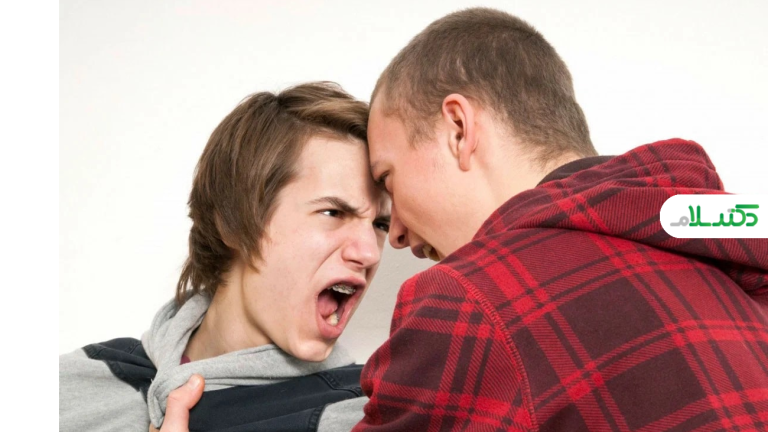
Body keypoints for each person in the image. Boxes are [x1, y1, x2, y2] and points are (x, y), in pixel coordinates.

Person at [160, 7, 768, 432]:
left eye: (389, 180)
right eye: (336, 212)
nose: (394, 239)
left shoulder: (473, 302)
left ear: (458, 128)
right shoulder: (726, 244)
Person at [58, 81, 391, 432]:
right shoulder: (85, 381)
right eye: (332, 213)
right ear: (233, 222)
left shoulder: (365, 416)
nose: (369, 252)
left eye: (380, 224)